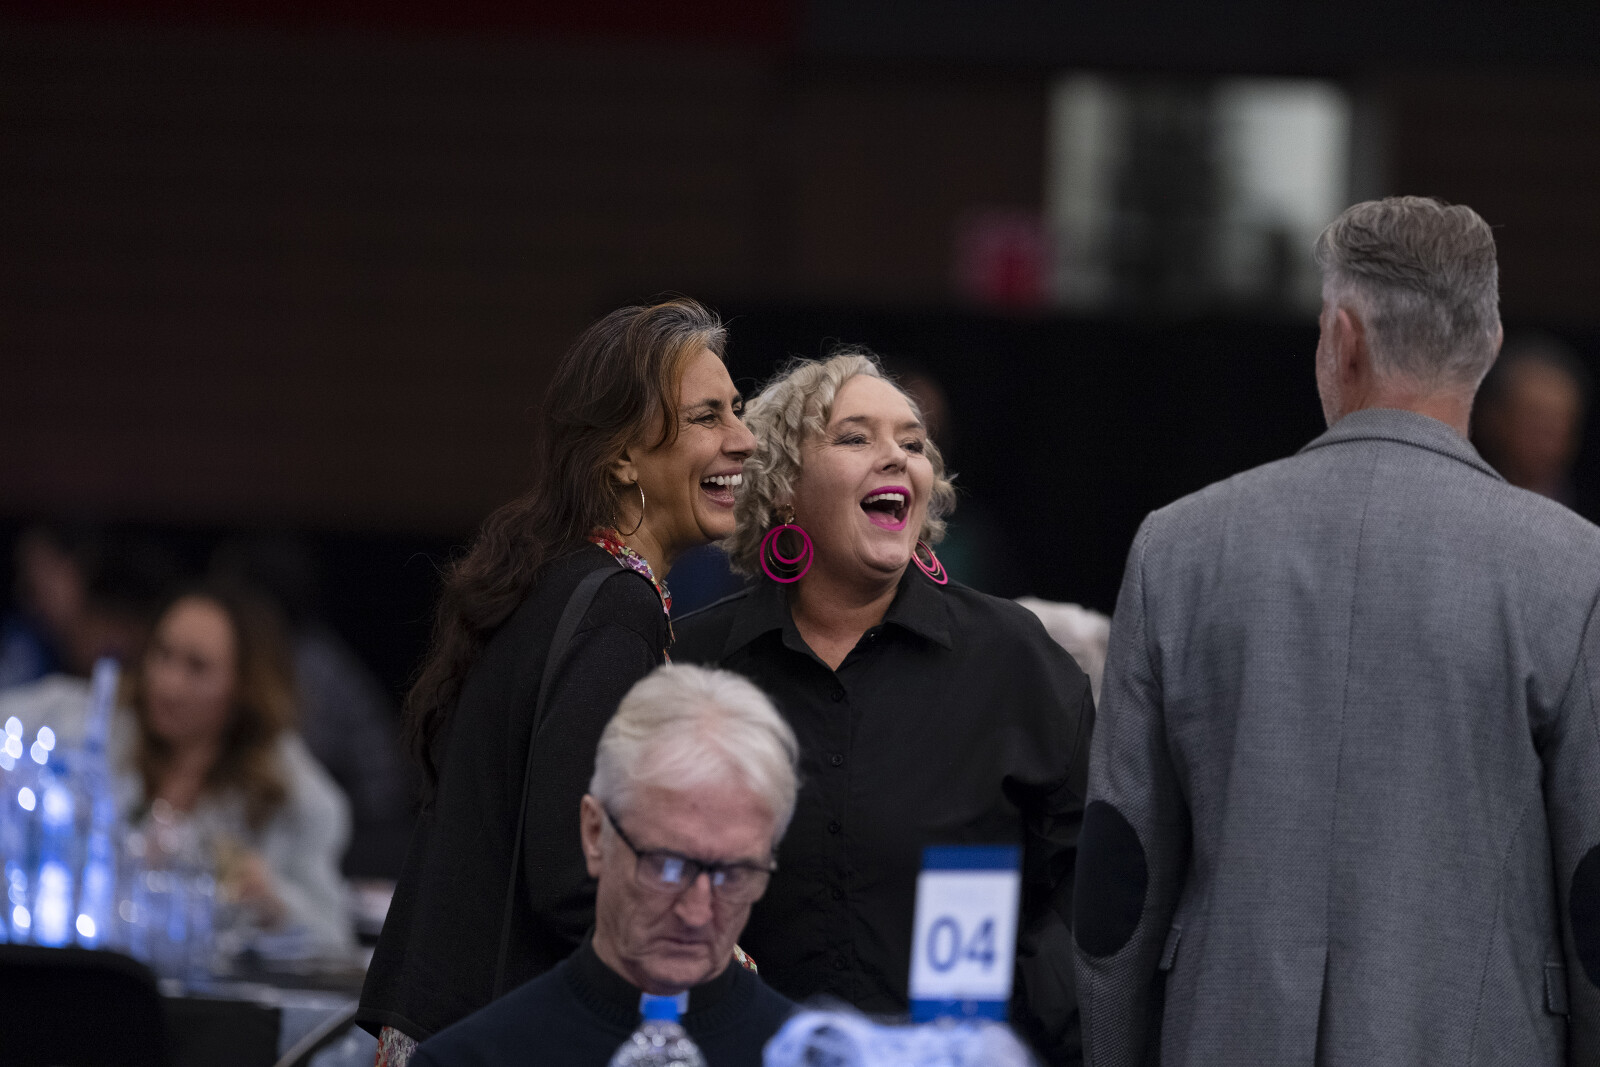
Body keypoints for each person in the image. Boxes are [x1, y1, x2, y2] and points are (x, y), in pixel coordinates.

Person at [1072, 197, 1600, 1065]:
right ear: (1491, 344)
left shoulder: (1178, 548)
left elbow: (1117, 886)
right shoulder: (1574, 572)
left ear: (1342, 340)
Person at [359, 299, 757, 1063]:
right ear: (623, 457)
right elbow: (575, 874)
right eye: (708, 416)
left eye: (736, 410)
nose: (743, 438)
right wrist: (714, 964)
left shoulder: (559, 577)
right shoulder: (614, 604)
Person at [673, 349, 1094, 1065]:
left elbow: (1088, 874)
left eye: (913, 443)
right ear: (783, 486)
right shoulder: (696, 662)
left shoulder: (1011, 658)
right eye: (855, 437)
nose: (898, 457)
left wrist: (1026, 1017)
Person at [411, 663, 799, 1066]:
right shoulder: (470, 1059)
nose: (697, 913)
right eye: (667, 866)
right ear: (595, 834)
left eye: (732, 875)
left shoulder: (818, 1059)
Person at [121, 583, 353, 956]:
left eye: (197, 667)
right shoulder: (104, 729)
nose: (168, 684)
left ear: (243, 685)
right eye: (162, 654)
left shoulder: (290, 787)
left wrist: (272, 900)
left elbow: (335, 939)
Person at [1473, 333, 1593, 516]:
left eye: (1560, 427)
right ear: (1494, 420)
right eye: (1536, 423)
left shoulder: (1589, 512)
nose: (1548, 442)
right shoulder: (1462, 495)